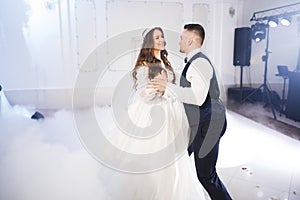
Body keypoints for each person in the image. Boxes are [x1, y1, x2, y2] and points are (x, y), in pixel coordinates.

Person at [105, 27, 206, 199]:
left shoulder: (166, 62)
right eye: (156, 37)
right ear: (149, 43)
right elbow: (142, 92)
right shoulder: (144, 65)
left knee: (174, 160)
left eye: (162, 36)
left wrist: (170, 89)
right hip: (153, 113)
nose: (161, 40)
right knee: (157, 161)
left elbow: (173, 86)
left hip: (172, 111)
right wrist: (155, 90)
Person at [149, 24, 232, 200]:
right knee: (180, 158)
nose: (178, 40)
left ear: (191, 40)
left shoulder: (200, 63)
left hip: (209, 124)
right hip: (200, 123)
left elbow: (197, 97)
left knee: (207, 176)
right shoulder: (195, 62)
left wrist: (167, 87)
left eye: (181, 37)